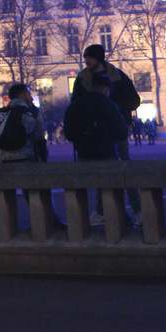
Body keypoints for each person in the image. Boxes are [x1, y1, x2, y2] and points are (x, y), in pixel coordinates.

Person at [62, 72, 131, 226]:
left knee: (80, 189)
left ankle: (81, 219)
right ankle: (113, 215)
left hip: (83, 154)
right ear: (107, 90)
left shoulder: (76, 105)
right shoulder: (108, 105)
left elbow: (69, 134)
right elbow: (121, 133)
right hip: (106, 154)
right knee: (111, 186)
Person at [0, 83, 48, 163]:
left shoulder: (1, 114)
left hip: (5, 159)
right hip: (27, 158)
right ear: (22, 96)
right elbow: (39, 137)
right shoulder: (29, 113)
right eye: (29, 95)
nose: (31, 98)